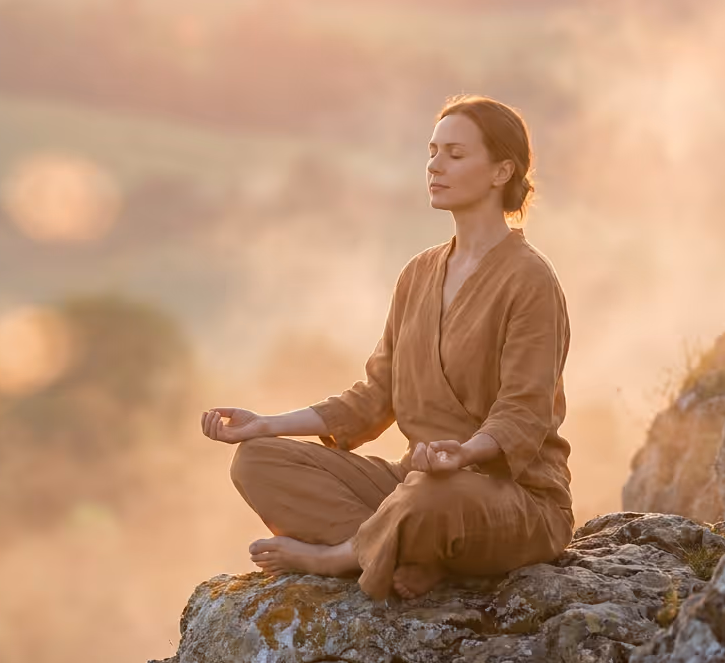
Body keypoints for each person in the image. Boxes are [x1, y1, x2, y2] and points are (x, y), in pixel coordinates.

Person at [199, 94, 575, 602]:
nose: (434, 166)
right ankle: (409, 553)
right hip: (414, 485)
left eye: (455, 154)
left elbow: (524, 414)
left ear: (500, 171)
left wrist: (461, 454)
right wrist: (267, 424)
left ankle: (342, 557)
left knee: (431, 497)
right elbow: (373, 399)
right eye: (432, 150)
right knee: (257, 462)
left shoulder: (530, 279)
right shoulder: (417, 274)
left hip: (512, 499)